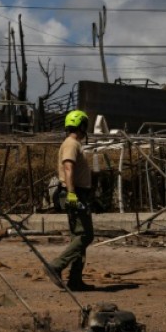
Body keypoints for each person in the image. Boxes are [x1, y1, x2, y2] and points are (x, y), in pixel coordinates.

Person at [49, 110, 95, 291]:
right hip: (74, 193)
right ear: (82, 125)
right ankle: (56, 266)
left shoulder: (73, 143)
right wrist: (71, 194)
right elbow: (68, 168)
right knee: (85, 235)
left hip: (77, 193)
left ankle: (75, 280)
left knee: (78, 236)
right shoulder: (71, 144)